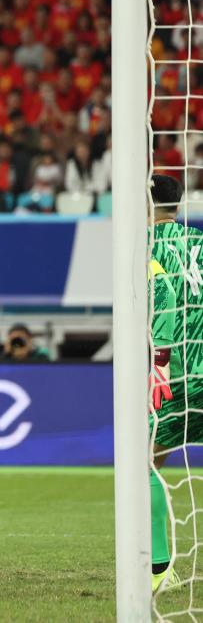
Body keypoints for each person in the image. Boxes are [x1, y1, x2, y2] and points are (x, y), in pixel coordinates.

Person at [148, 174, 203, 591]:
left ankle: (158, 572)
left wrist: (160, 364)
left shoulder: (147, 245)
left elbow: (164, 299)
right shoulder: (199, 242)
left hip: (180, 370)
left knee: (142, 462)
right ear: (179, 205)